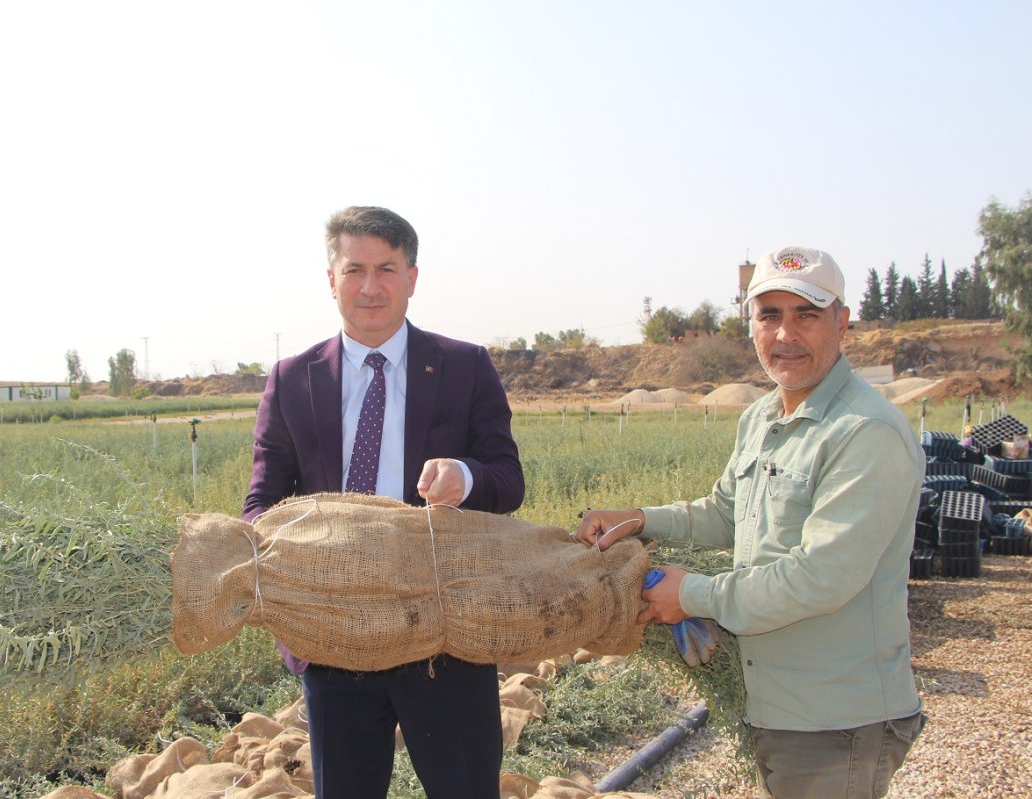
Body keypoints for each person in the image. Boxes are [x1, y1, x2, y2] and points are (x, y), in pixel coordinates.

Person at [576, 246, 925, 799]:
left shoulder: (864, 432)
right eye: (769, 315)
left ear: (841, 322)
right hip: (776, 709)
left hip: (834, 721)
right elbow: (725, 512)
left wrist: (691, 594)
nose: (786, 334)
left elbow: (821, 577)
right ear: (751, 325)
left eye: (806, 315)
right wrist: (640, 520)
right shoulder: (763, 417)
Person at [243, 205, 525, 799]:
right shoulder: (292, 380)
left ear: (412, 278)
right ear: (331, 279)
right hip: (334, 639)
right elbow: (262, 504)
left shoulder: (464, 366)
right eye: (355, 270)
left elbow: (507, 479)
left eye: (387, 269)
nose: (370, 287)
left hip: (445, 637)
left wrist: (464, 478)